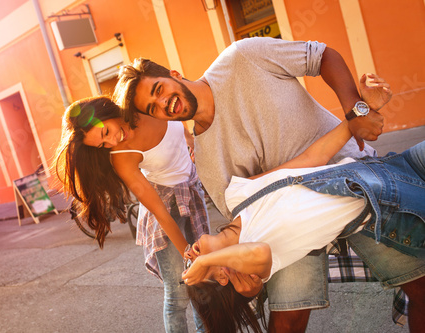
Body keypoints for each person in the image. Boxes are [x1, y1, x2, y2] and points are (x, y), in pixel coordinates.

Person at [113, 36, 424, 332]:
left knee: (420, 286)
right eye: (152, 108)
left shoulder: (242, 57)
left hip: (357, 183)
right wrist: (247, 280)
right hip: (296, 222)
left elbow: (323, 56)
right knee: (286, 321)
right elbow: (250, 226)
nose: (164, 103)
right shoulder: (206, 161)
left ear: (174, 74)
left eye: (159, 89)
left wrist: (355, 108)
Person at [179, 119, 425, 332]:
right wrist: (204, 262)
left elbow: (311, 159)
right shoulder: (257, 260)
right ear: (222, 276)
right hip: (394, 205)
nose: (189, 253)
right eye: (192, 265)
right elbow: (258, 252)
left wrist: (355, 118)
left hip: (389, 167)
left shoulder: (237, 196)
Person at [53, 96, 210, 332]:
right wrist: (188, 254)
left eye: (107, 131)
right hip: (165, 211)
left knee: (204, 284)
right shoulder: (122, 156)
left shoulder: (146, 103)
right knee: (179, 293)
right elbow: (159, 212)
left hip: (192, 194)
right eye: (103, 144)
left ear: (107, 111)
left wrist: (191, 144)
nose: (112, 140)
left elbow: (181, 124)